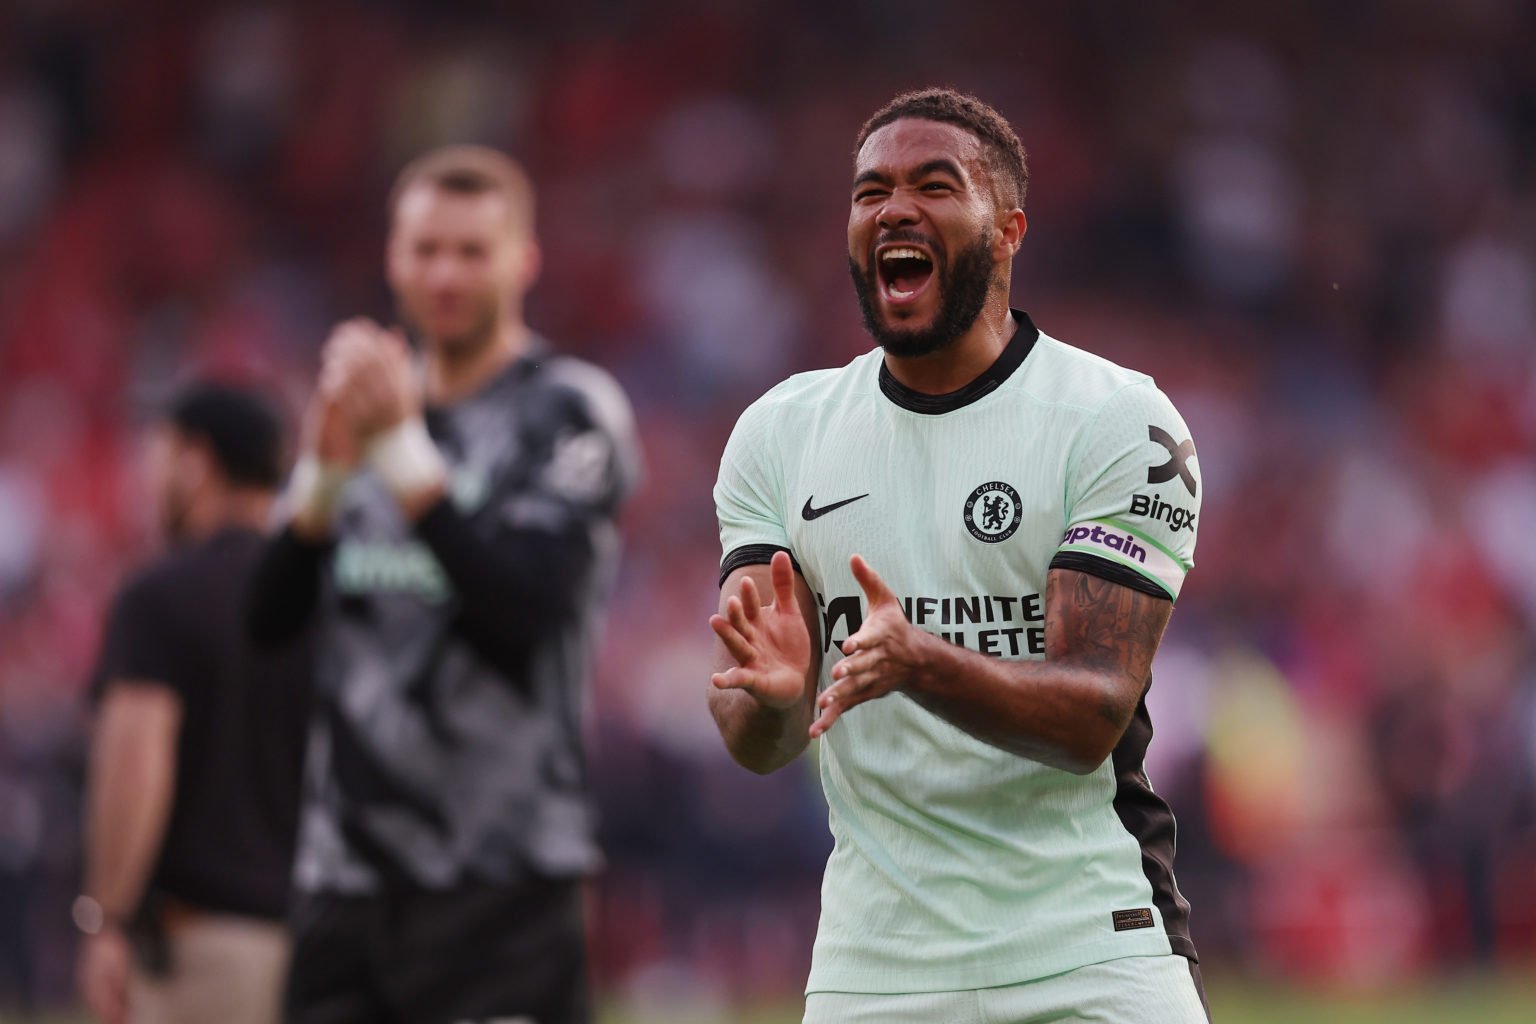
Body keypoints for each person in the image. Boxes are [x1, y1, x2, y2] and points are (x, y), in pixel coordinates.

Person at [708, 89, 1210, 1023]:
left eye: (934, 185)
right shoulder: (779, 435)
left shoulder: (1116, 422)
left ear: (1010, 228)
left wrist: (919, 663)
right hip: (876, 969)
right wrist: (773, 704)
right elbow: (757, 738)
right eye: (870, 193)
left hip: (1090, 949)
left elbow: (1091, 713)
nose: (894, 209)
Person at [248, 145, 641, 1024]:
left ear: (523, 259)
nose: (446, 273)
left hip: (502, 885)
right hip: (345, 881)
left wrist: (401, 455)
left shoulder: (568, 409)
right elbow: (266, 621)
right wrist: (319, 479)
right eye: (426, 249)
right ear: (392, 257)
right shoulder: (364, 406)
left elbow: (523, 611)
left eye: (472, 250)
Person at [77, 382, 311, 1024]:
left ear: (196, 460)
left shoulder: (162, 596)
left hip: (203, 950)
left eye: (158, 455)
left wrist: (104, 917)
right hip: (321, 947)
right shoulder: (326, 595)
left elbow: (135, 766)